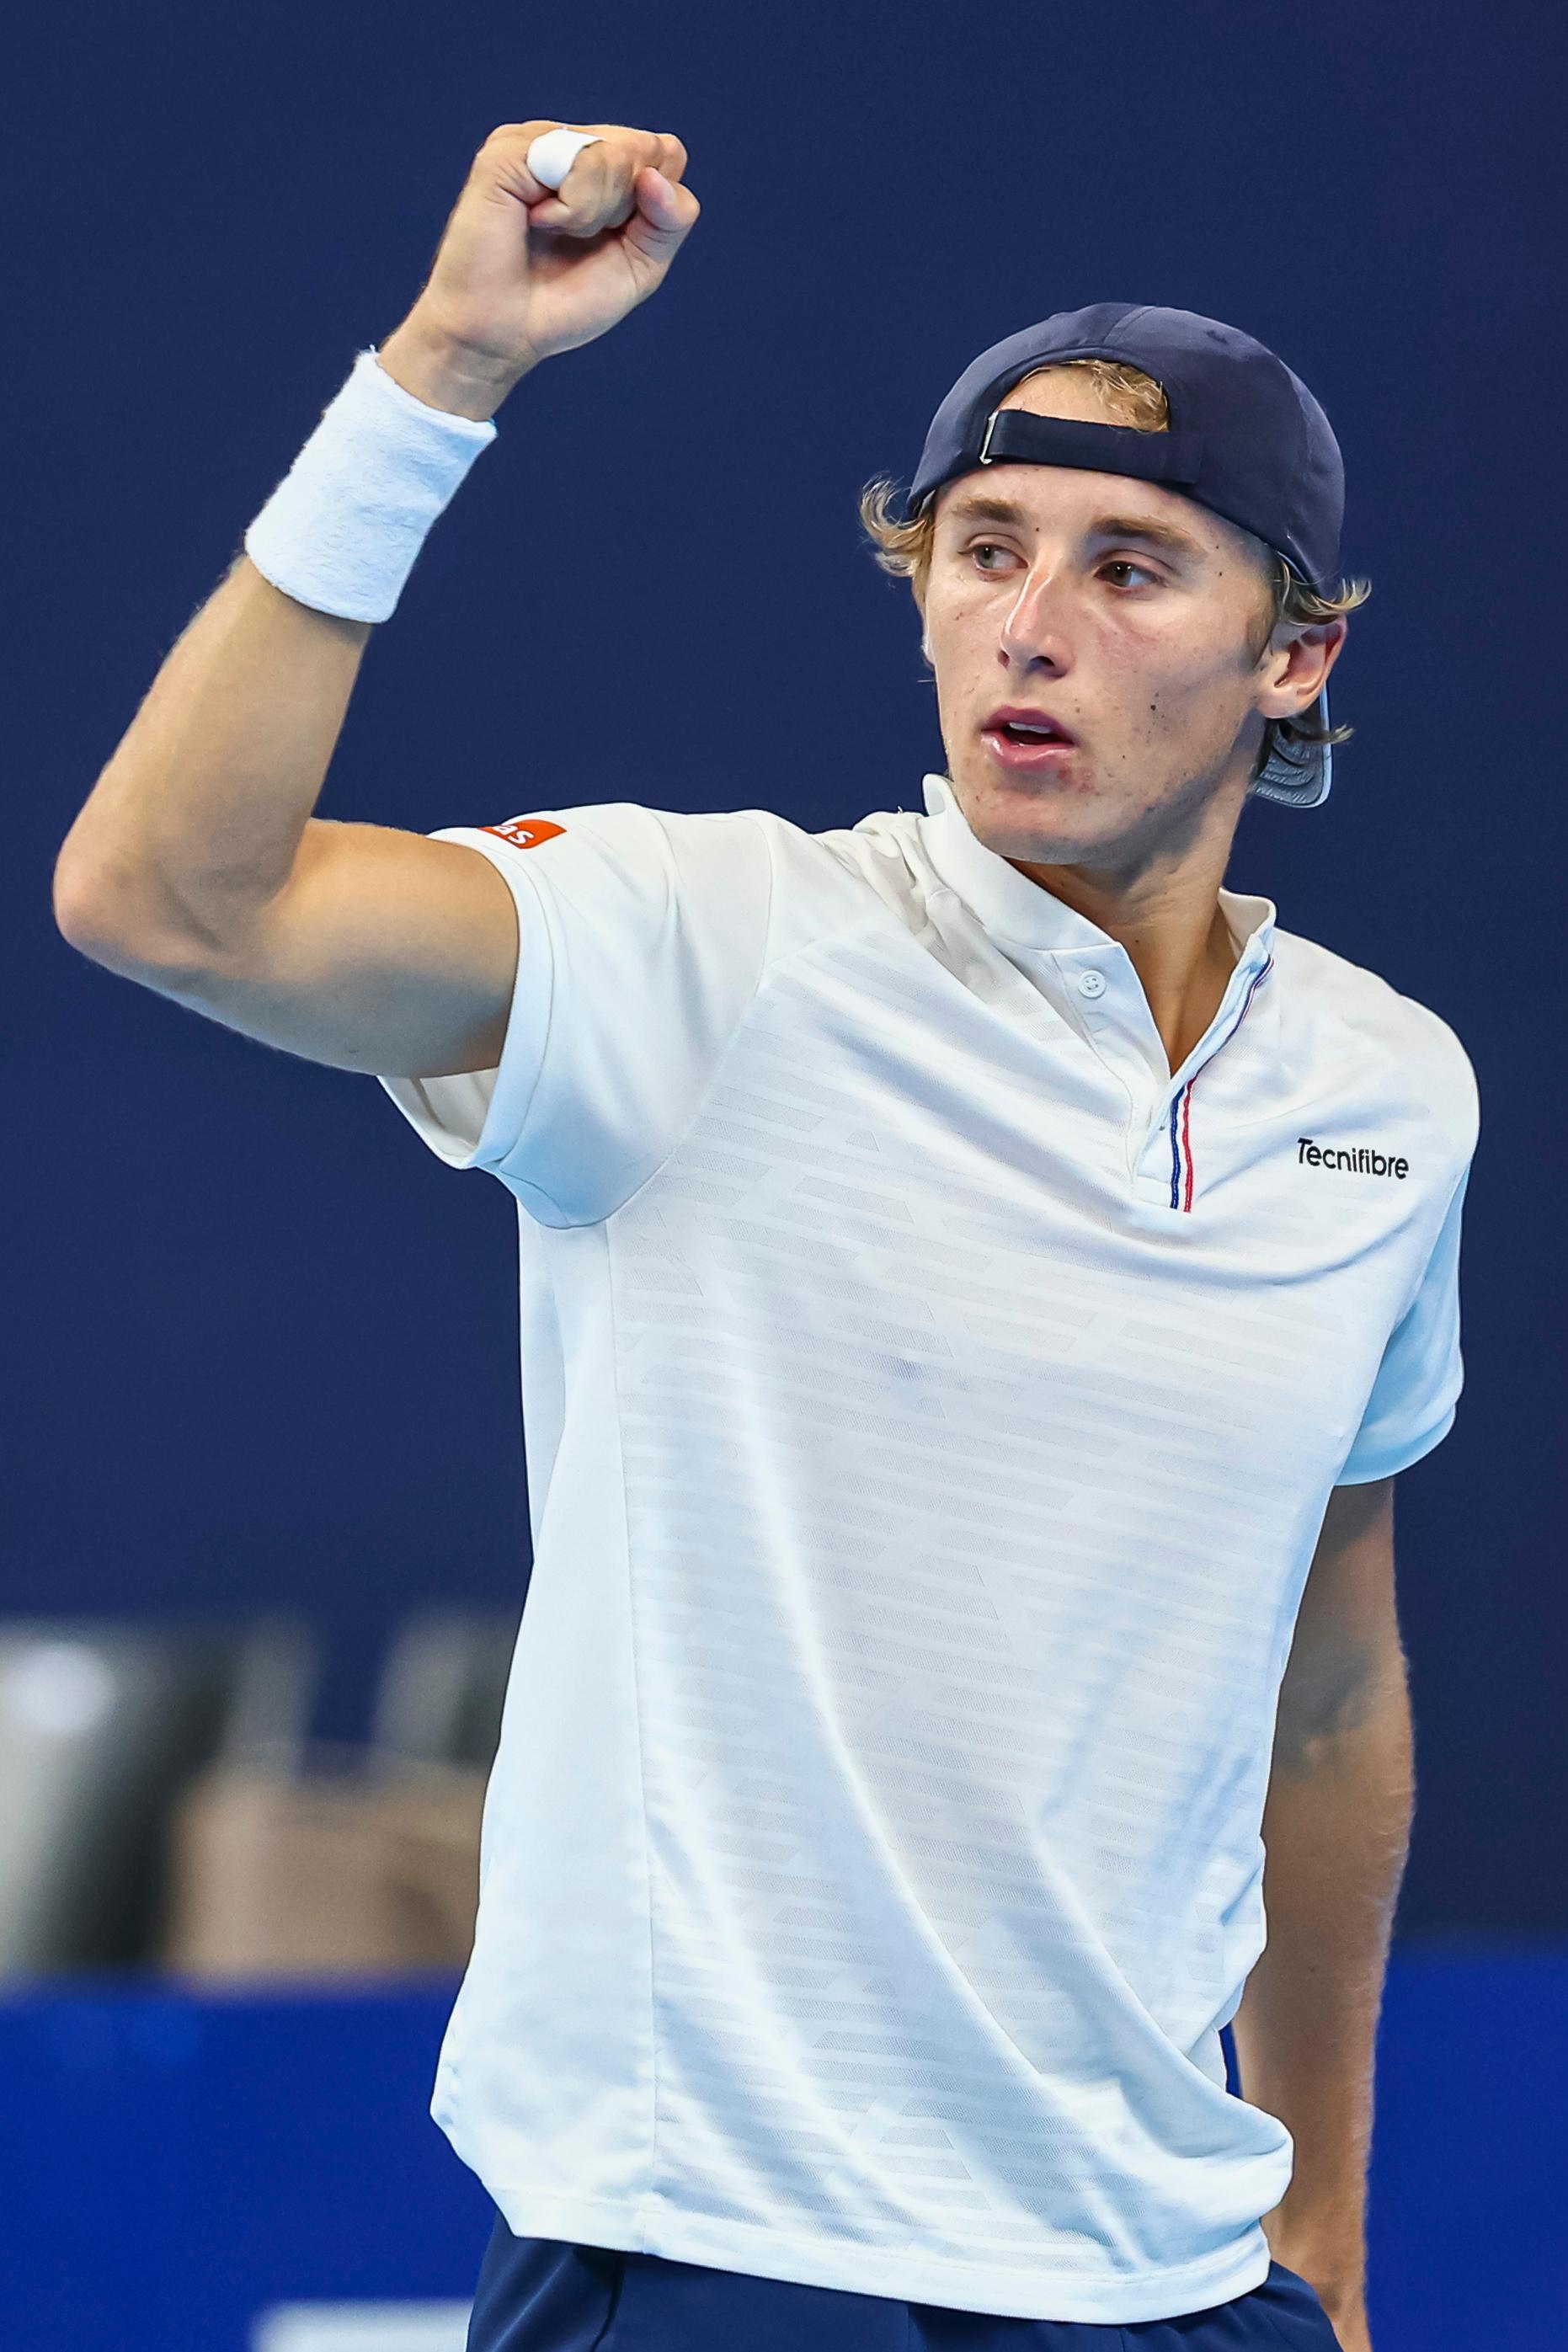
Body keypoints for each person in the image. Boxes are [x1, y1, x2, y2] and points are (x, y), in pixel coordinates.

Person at [54, 116, 1476, 2352]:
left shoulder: (1393, 1096)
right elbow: (166, 896)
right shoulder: (699, 947)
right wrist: (442, 370)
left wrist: (1323, 2215)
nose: (1030, 620)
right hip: (722, 2252)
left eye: (1131, 568)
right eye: (982, 545)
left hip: (1173, 2273)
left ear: (1292, 659)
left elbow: (1330, 1684)